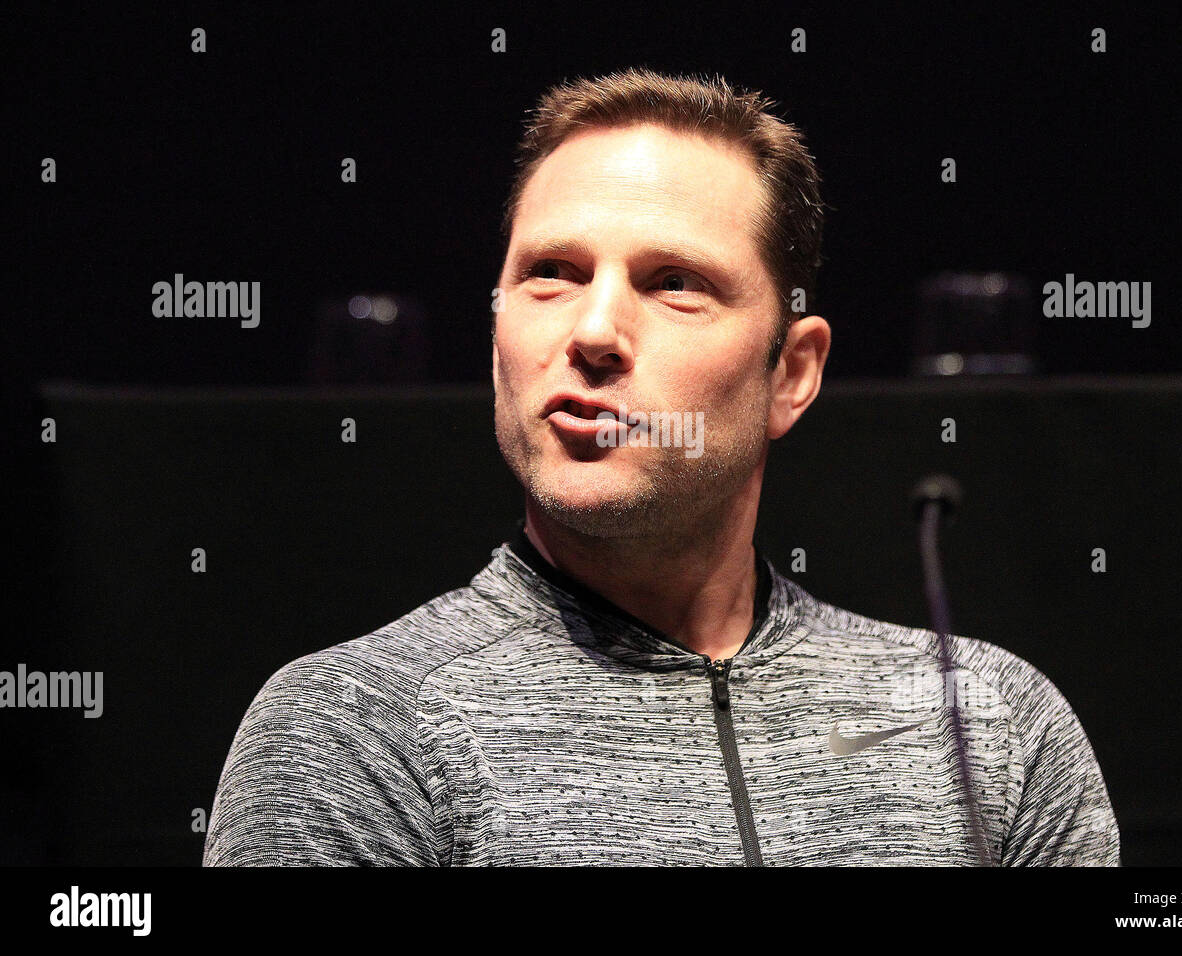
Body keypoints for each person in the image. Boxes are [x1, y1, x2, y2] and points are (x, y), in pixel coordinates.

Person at [203, 67, 1120, 866]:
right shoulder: (352, 731)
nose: (593, 333)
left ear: (791, 373)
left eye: (674, 282)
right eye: (552, 272)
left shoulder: (989, 724)